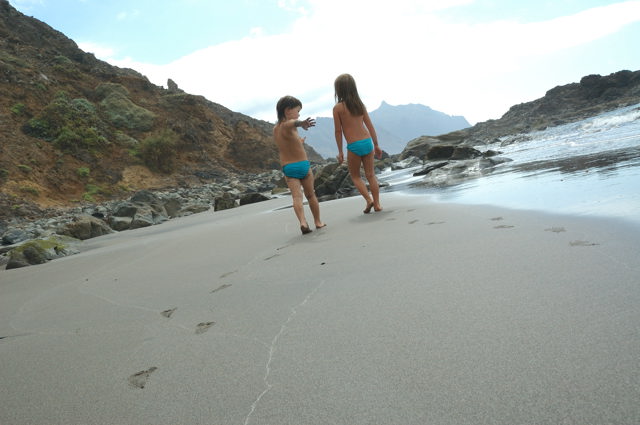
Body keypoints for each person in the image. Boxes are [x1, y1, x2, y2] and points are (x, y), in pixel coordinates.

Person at [274, 95, 326, 234]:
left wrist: (299, 142)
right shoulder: (288, 124)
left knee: (297, 197)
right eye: (297, 111)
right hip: (303, 165)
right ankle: (318, 222)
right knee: (311, 195)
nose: (298, 115)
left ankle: (303, 222)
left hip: (289, 168)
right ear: (287, 110)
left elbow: (286, 144)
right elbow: (293, 123)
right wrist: (302, 123)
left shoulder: (276, 129)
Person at [332, 73, 383, 213]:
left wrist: (340, 151)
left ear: (338, 90)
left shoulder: (338, 108)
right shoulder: (360, 105)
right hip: (367, 142)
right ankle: (377, 204)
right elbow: (370, 126)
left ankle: (369, 200)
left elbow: (338, 131)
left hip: (354, 145)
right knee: (371, 175)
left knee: (355, 176)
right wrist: (376, 145)